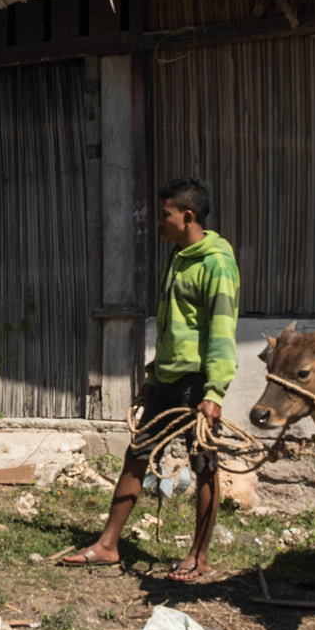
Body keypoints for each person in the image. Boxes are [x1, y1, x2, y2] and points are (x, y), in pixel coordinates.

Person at [57, 176, 238, 581]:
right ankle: (107, 545)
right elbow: (175, 328)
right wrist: (153, 376)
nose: (158, 222)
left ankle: (199, 557)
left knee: (204, 464)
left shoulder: (217, 265)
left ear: (187, 216)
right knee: (138, 454)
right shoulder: (177, 256)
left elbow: (222, 333)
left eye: (165, 215)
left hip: (197, 383)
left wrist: (214, 392)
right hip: (169, 380)